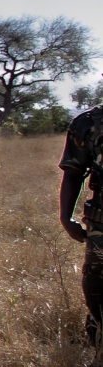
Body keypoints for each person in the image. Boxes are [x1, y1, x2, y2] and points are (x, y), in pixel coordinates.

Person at [58, 90, 103, 344]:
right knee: (96, 287)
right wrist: (65, 216)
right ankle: (99, 351)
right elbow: (73, 173)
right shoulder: (87, 123)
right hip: (100, 223)